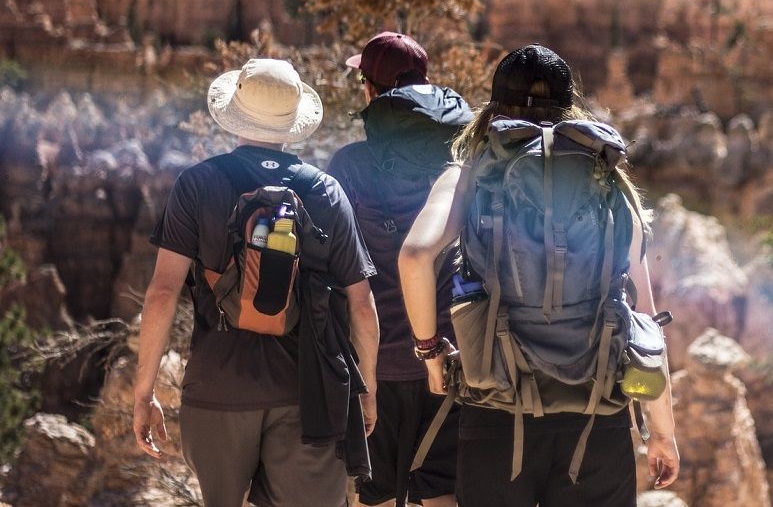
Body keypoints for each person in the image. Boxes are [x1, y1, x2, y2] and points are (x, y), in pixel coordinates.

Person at [398, 44, 680, 507]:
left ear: (492, 107)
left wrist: (431, 355)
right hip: (597, 414)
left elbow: (414, 257)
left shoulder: (469, 173)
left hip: (497, 410)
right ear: (570, 107)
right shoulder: (607, 179)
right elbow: (644, 320)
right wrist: (662, 432)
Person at [133, 58, 380, 507]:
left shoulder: (197, 184)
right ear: (294, 122)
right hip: (308, 398)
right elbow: (361, 304)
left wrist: (144, 392)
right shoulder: (325, 191)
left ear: (235, 114)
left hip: (217, 389)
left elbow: (162, 293)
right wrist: (369, 391)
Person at [328, 32, 473, 507]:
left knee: (378, 495)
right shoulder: (460, 161)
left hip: (378, 362)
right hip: (451, 355)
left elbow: (334, 271)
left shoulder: (348, 166)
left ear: (370, 91)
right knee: (442, 493)